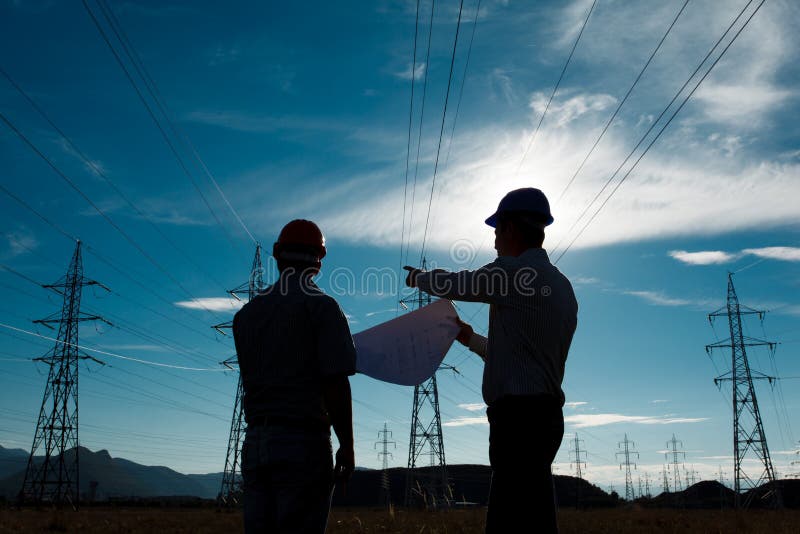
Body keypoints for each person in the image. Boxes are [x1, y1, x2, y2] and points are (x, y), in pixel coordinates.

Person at [404, 188, 578, 533]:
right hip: (543, 416)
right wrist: (470, 340)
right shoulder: (562, 286)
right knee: (534, 514)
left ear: (511, 228)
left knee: (509, 519)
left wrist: (418, 278)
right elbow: (525, 357)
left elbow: (458, 283)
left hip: (519, 419)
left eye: (497, 231)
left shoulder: (514, 274)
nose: (495, 241)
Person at [233, 219, 357, 534]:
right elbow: (335, 382)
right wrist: (347, 445)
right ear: (320, 260)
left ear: (277, 253)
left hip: (255, 444)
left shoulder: (245, 316)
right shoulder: (323, 307)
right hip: (304, 443)